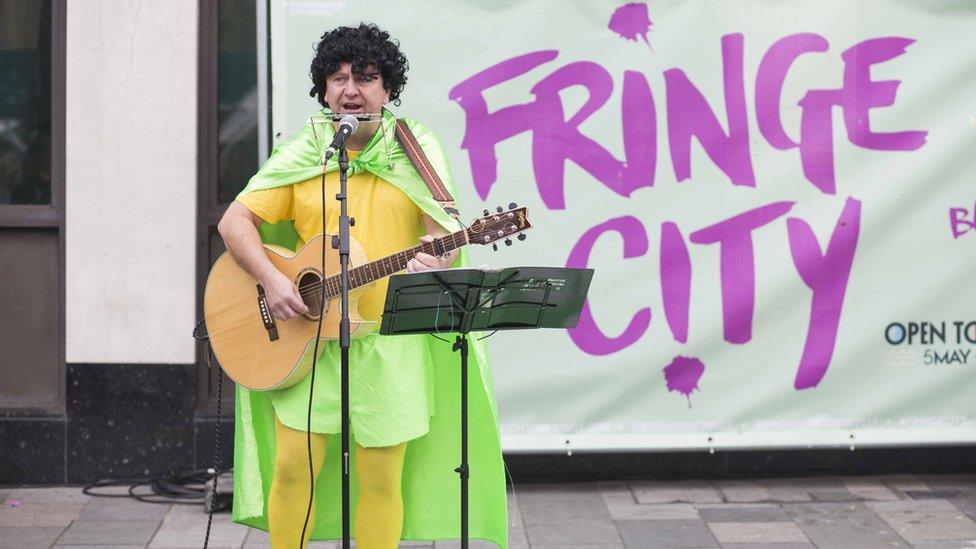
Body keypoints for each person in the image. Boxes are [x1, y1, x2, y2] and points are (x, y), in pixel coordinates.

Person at [216, 23, 508, 549]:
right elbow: (235, 222)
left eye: (366, 78)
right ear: (323, 90)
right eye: (338, 77)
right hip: (308, 342)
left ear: (387, 90)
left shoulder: (416, 151)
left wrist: (439, 255)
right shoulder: (306, 153)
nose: (351, 89)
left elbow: (445, 236)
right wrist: (273, 280)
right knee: (292, 468)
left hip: (389, 344)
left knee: (379, 476)